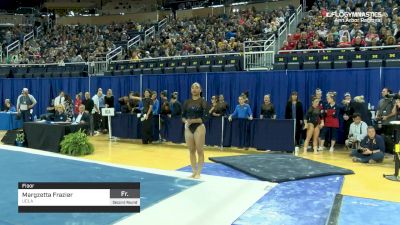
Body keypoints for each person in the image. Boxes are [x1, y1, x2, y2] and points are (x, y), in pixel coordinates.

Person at [182, 82, 209, 179]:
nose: (194, 89)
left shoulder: (203, 102)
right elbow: (183, 116)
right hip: (188, 127)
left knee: (199, 150)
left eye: (197, 87)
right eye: (192, 87)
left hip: (199, 127)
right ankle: (193, 171)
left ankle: (199, 172)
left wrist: (194, 120)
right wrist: (186, 121)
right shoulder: (187, 102)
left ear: (200, 90)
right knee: (191, 150)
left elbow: (206, 117)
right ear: (190, 90)